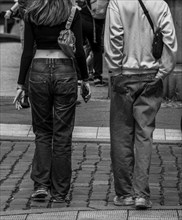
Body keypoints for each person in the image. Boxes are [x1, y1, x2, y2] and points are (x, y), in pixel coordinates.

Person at [13, 0, 91, 203]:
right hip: (65, 70)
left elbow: (27, 51)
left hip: (38, 70)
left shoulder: (32, 12)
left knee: (42, 130)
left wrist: (21, 84)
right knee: (63, 133)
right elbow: (80, 51)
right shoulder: (72, 12)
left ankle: (41, 185)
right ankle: (60, 191)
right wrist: (84, 79)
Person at [104, 0, 177, 209]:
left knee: (121, 135)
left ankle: (125, 194)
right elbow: (170, 41)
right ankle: (141, 194)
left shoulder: (117, 2)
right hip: (151, 75)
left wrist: (115, 70)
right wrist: (163, 72)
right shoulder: (160, 4)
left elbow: (114, 37)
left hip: (124, 74)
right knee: (144, 135)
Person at [4, 0, 30, 108]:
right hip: (37, 17)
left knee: (28, 55)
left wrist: (11, 10)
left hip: (30, 17)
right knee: (30, 55)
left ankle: (25, 93)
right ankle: (25, 93)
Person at [76, 0, 106, 86]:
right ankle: (97, 77)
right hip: (96, 23)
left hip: (83, 19)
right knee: (97, 49)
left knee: (79, 47)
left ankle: (79, 77)